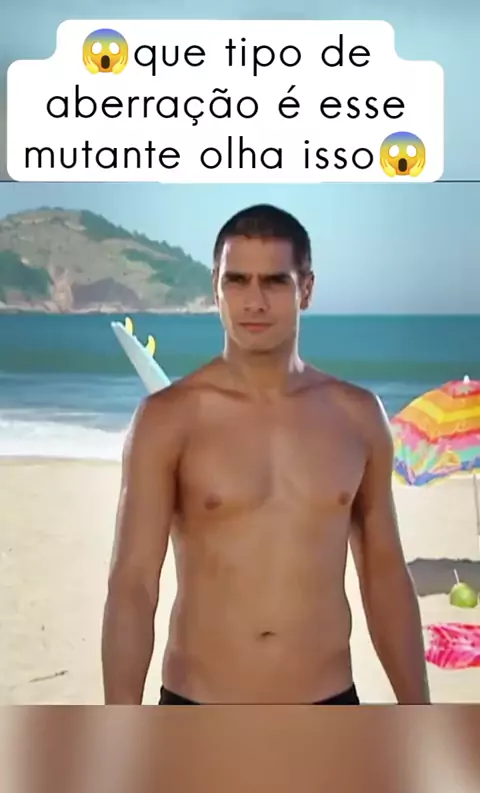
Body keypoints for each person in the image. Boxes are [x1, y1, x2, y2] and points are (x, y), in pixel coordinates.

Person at [102, 203, 430, 705]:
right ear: (216, 288)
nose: (254, 301)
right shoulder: (168, 419)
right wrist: (119, 726)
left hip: (328, 708)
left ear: (306, 289)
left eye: (275, 282)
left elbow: (385, 577)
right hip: (199, 710)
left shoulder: (358, 417)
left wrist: (419, 712)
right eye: (237, 281)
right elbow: (133, 586)